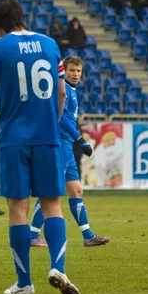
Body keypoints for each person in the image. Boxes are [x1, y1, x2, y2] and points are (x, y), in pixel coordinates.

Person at [0, 0, 80, 294]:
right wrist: (52, 122)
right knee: (51, 205)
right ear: (22, 17)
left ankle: (24, 282)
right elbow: (62, 92)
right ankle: (58, 267)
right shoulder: (50, 44)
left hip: (15, 139)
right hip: (48, 137)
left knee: (17, 207)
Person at [29, 56, 110, 248]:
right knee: (49, 190)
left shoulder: (71, 91)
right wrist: (79, 138)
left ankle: (88, 235)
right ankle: (32, 234)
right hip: (59, 143)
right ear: (64, 71)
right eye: (72, 70)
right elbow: (60, 119)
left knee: (76, 189)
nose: (75, 74)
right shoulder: (61, 90)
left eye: (78, 71)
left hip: (66, 145)